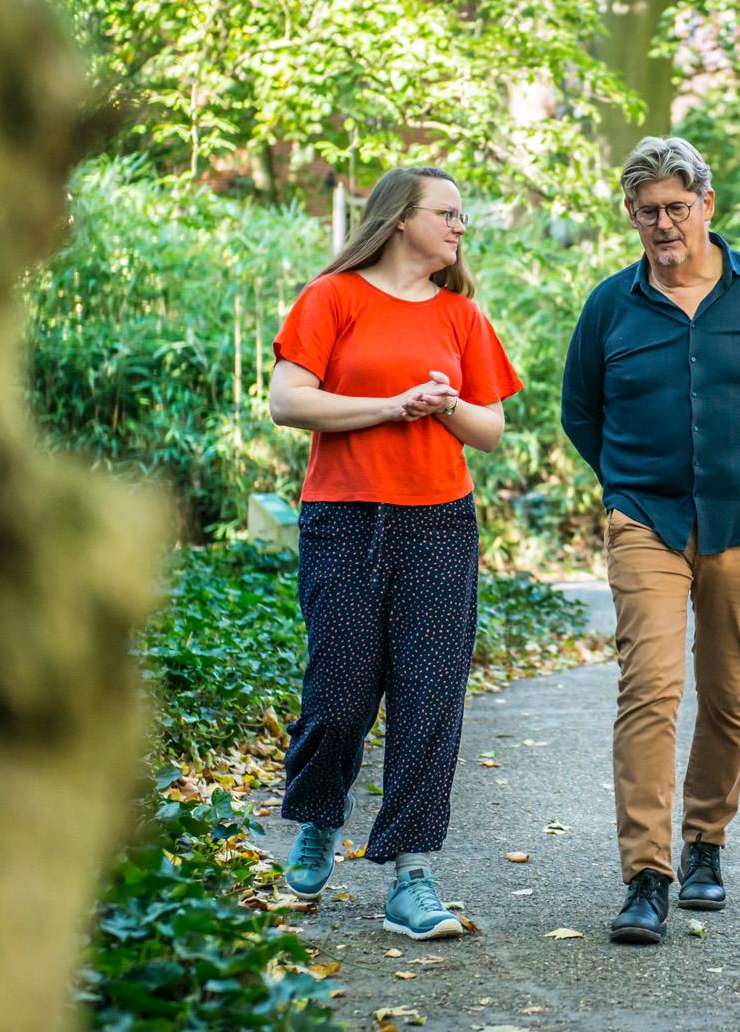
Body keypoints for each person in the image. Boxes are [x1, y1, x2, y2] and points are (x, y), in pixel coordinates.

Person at [560, 135, 740, 944]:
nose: (663, 223)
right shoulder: (611, 305)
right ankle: (647, 875)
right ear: (630, 215)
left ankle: (706, 841)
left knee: (730, 691)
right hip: (648, 518)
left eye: (676, 207)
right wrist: (626, 485)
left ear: (707, 204)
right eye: (647, 211)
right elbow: (581, 410)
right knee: (651, 687)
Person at [267, 165, 522, 941]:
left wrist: (445, 406)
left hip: (440, 524)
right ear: (400, 218)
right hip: (343, 519)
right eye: (448, 212)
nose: (460, 226)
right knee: (339, 692)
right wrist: (390, 405)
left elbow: (491, 429)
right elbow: (287, 400)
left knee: (429, 698)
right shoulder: (332, 298)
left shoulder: (461, 315)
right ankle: (319, 817)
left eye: (461, 215)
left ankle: (412, 874)